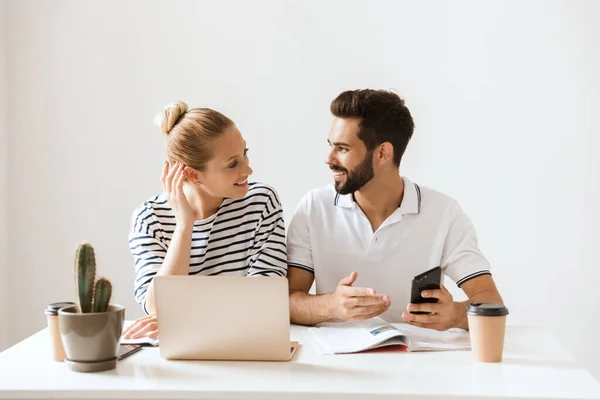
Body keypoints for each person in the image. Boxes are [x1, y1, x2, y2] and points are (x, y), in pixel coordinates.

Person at [287, 89, 503, 331]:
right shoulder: (314, 207)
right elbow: (286, 303)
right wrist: (331, 306)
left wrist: (455, 315)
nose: (329, 158)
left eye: (343, 148)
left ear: (382, 153)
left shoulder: (443, 213)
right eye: (331, 146)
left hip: (416, 361)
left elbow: (491, 301)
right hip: (336, 362)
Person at [123, 101, 287, 340]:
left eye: (245, 154)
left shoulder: (261, 202)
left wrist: (186, 316)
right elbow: (159, 307)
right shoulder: (149, 218)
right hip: (181, 350)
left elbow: (267, 297)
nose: (248, 170)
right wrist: (184, 226)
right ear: (192, 174)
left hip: (245, 342)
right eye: (233, 164)